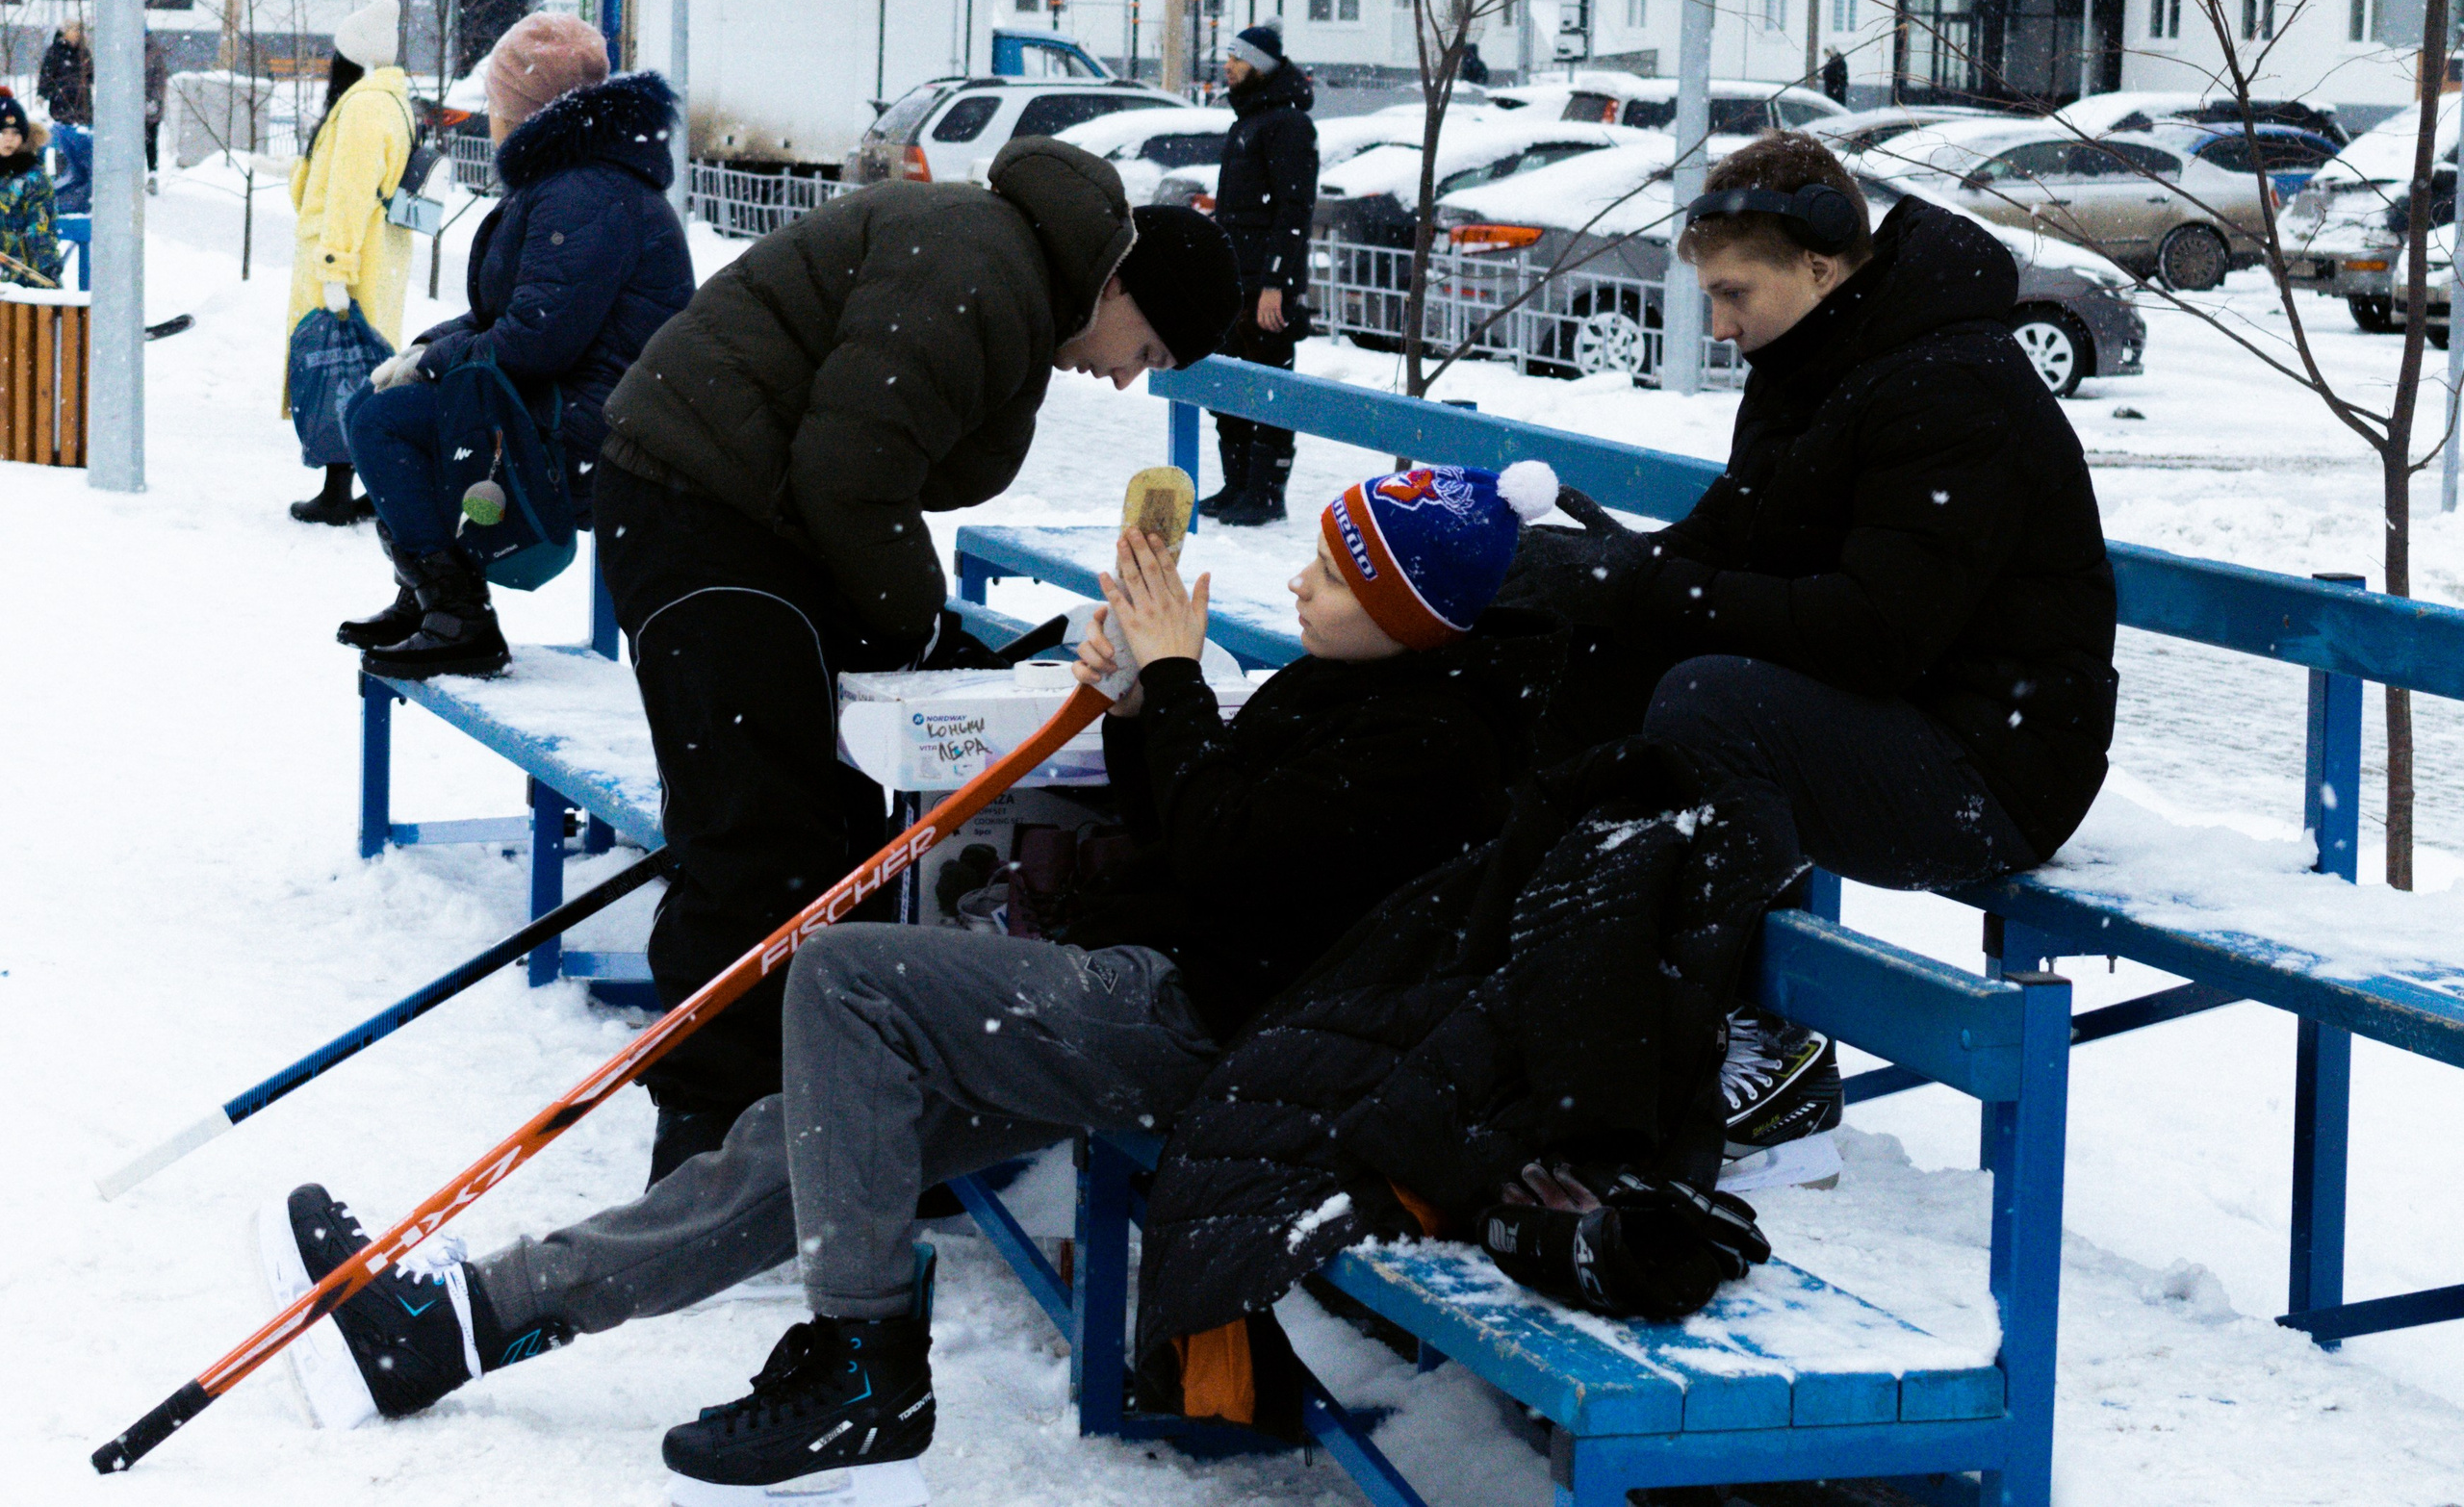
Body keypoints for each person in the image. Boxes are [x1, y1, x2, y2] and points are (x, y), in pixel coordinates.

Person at [260, 460, 1565, 1505]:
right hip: (1170, 990)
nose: (1303, 581)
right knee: (809, 1145)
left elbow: (1232, 857)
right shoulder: (1361, 687)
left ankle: (868, 1353)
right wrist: (1130, 699)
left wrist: (1174, 677)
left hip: (1212, 1028)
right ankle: (470, 1320)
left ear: (1405, 609)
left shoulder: (1432, 738)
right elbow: (1207, 823)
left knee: (846, 980)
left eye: (1338, 575)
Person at [594, 140, 1245, 1184]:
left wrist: (918, 629)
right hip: (697, 507)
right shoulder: (979, 268)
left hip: (753, 517)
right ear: (1117, 280)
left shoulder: (1008, 273)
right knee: (758, 826)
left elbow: (868, 468)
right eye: (1147, 348)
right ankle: (710, 1142)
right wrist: (916, 627)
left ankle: (827, 1116)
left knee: (843, 819)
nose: (1126, 378)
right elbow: (851, 474)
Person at [1502, 128, 2118, 901]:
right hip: (1882, 714)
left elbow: (1874, 634)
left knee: (1709, 706)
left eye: (1734, 294)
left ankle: (1730, 1002)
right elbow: (1726, 544)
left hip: (1993, 771)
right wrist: (1594, 573)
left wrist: (1638, 584)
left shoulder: (1956, 387)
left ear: (1819, 267)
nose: (1720, 328)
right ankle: (1521, 921)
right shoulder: (1807, 362)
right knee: (1575, 653)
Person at [338, 13, 694, 680]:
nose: (491, 120)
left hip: (598, 432)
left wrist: (434, 363)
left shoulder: (585, 191)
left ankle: (459, 615)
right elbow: (505, 316)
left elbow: (537, 339)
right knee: (374, 401)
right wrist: (422, 351)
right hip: (569, 403)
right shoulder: (574, 180)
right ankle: (426, 595)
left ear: (525, 114)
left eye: (498, 106)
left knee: (385, 424)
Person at [286, 0, 415, 526]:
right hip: (377, 254)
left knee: (340, 372)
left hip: (351, 259)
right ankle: (361, 488)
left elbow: (348, 193)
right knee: (361, 372)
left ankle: (342, 492)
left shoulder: (363, 107)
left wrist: (335, 268)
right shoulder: (392, 100)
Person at [1198, 20, 1318, 527]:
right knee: (1228, 386)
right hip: (1234, 281)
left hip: (1265, 286)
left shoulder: (1288, 125)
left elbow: (1294, 209)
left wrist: (1275, 283)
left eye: (1238, 57)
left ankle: (1266, 494)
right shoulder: (1248, 120)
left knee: (1269, 389)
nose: (1228, 65)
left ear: (1262, 67)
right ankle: (1238, 484)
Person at [0, 96, 63, 288]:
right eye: (2, 132)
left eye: (15, 132)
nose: (9, 138)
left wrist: (47, 271)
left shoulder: (33, 178)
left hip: (22, 280)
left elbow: (40, 231)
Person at [37, 18, 90, 128]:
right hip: (61, 103)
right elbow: (47, 75)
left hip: (83, 105)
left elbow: (90, 75)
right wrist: (42, 94)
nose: (77, 33)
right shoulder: (55, 51)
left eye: (79, 30)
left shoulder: (84, 52)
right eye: (74, 30)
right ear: (65, 32)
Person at [142, 32, 167, 192]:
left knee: (150, 141)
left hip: (149, 108)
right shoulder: (151, 52)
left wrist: (152, 101)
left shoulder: (153, 54)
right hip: (139, 107)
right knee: (147, 142)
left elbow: (159, 80)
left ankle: (152, 174)